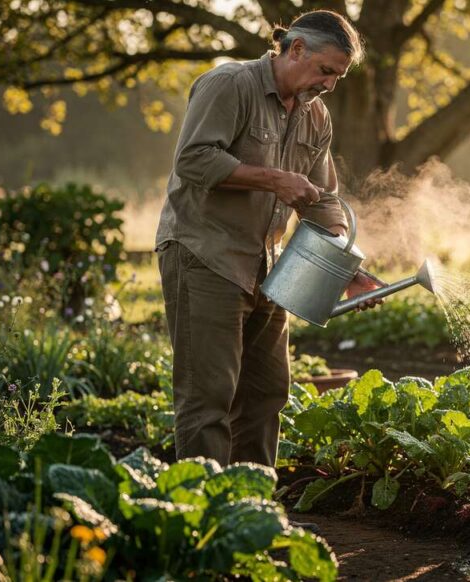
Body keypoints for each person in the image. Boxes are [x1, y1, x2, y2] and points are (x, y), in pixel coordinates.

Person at [154, 10, 378, 468]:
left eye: (337, 77)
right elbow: (193, 160)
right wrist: (275, 180)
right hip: (206, 256)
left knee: (266, 393)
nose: (329, 85)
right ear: (296, 48)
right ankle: (204, 503)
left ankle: (254, 501)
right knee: (209, 397)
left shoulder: (316, 116)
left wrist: (344, 265)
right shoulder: (229, 85)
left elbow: (321, 198)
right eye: (326, 70)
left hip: (270, 269)